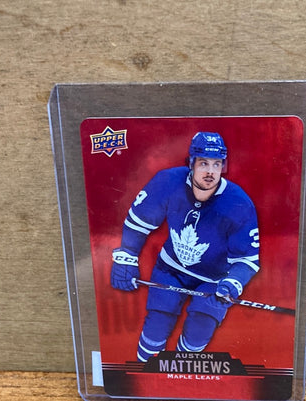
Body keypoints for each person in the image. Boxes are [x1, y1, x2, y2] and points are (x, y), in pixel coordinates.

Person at [110, 132, 260, 362]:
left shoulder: (239, 204)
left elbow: (247, 259)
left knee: (199, 332)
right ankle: (145, 371)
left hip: (213, 279)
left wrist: (233, 282)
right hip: (171, 269)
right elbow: (139, 221)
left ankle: (182, 371)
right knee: (157, 325)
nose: (210, 171)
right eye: (203, 163)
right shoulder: (168, 182)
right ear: (191, 163)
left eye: (217, 164)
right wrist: (127, 255)